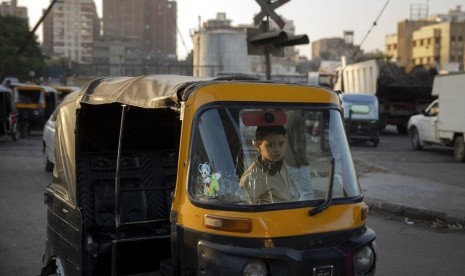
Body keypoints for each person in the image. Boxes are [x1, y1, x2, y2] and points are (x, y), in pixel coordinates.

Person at [240, 125, 292, 204]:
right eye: (270, 145)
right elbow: (245, 206)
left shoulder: (281, 166)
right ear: (258, 146)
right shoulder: (252, 176)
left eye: (281, 144)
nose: (277, 150)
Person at [284, 110, 314, 200]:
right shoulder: (298, 117)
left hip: (286, 161)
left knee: (295, 195)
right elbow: (299, 144)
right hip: (296, 163)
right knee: (307, 195)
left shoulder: (287, 114)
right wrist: (304, 161)